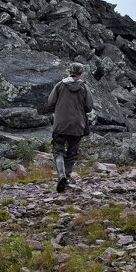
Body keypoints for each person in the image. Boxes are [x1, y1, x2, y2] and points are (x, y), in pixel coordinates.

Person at [43, 62, 93, 193]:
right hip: (77, 125)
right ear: (81, 73)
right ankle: (67, 177)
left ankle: (61, 175)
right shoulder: (84, 87)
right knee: (72, 152)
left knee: (58, 149)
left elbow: (50, 102)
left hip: (60, 124)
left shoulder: (60, 85)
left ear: (69, 71)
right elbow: (89, 107)